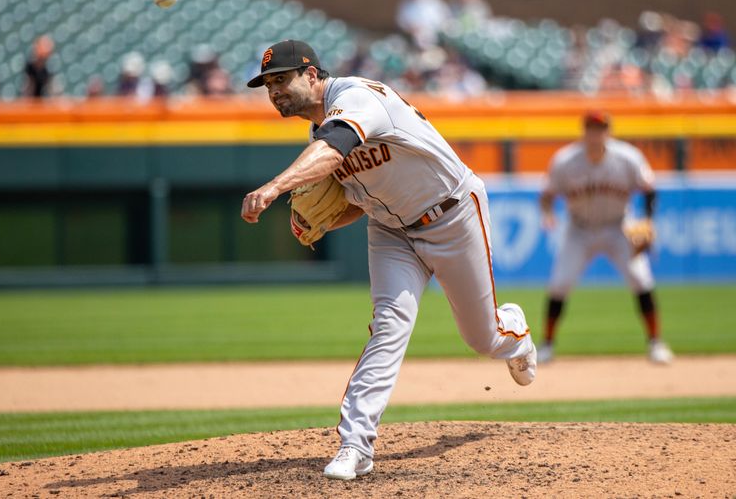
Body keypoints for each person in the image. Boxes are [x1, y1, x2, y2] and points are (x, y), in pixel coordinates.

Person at [240, 40, 536, 480]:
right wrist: (320, 223)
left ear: (312, 75)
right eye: (268, 85)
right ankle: (355, 445)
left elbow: (336, 145)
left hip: (451, 214)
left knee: (483, 338)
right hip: (390, 230)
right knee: (389, 324)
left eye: (282, 79)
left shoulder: (357, 99)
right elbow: (360, 201)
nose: (275, 91)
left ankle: (515, 333)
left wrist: (275, 187)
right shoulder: (318, 132)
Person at [538, 111, 674, 365]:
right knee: (559, 284)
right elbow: (547, 194)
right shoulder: (565, 160)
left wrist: (647, 219)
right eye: (591, 128)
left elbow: (649, 188)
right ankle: (546, 346)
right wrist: (547, 214)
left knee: (641, 280)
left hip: (618, 227)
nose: (595, 134)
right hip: (578, 229)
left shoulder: (627, 157)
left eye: (600, 128)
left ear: (608, 132)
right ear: (584, 131)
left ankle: (656, 343)